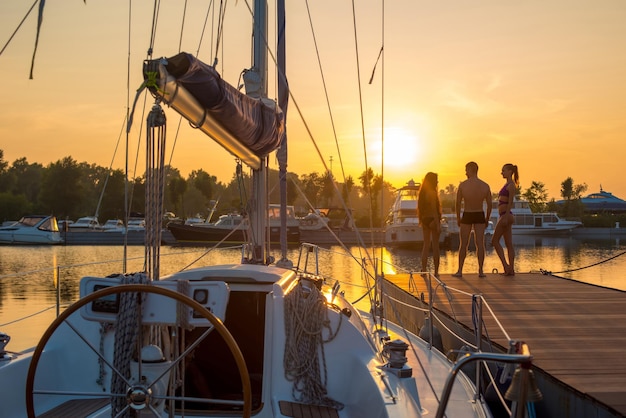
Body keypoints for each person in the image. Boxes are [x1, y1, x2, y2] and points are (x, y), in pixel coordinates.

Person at [453, 162, 492, 278]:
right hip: (479, 213)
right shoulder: (485, 186)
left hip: (468, 214)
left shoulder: (463, 185)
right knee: (480, 243)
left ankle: (460, 270)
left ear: (470, 170)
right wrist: (487, 218)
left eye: (466, 170)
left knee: (463, 244)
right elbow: (490, 205)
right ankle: (480, 270)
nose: (465, 173)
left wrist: (458, 218)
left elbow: (458, 203)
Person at [492, 163, 519, 276]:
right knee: (508, 244)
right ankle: (510, 269)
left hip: (506, 216)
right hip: (504, 215)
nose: (501, 172)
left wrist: (506, 216)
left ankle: (506, 266)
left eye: (503, 170)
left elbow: (510, 202)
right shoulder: (507, 184)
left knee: (494, 241)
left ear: (509, 172)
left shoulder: (511, 185)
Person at [418, 172, 442, 277]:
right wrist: (438, 225)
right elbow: (434, 211)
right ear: (432, 181)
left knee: (426, 245)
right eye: (436, 180)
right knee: (436, 246)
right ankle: (436, 272)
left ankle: (423, 270)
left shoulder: (422, 194)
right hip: (432, 220)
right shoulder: (432, 193)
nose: (437, 182)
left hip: (424, 220)